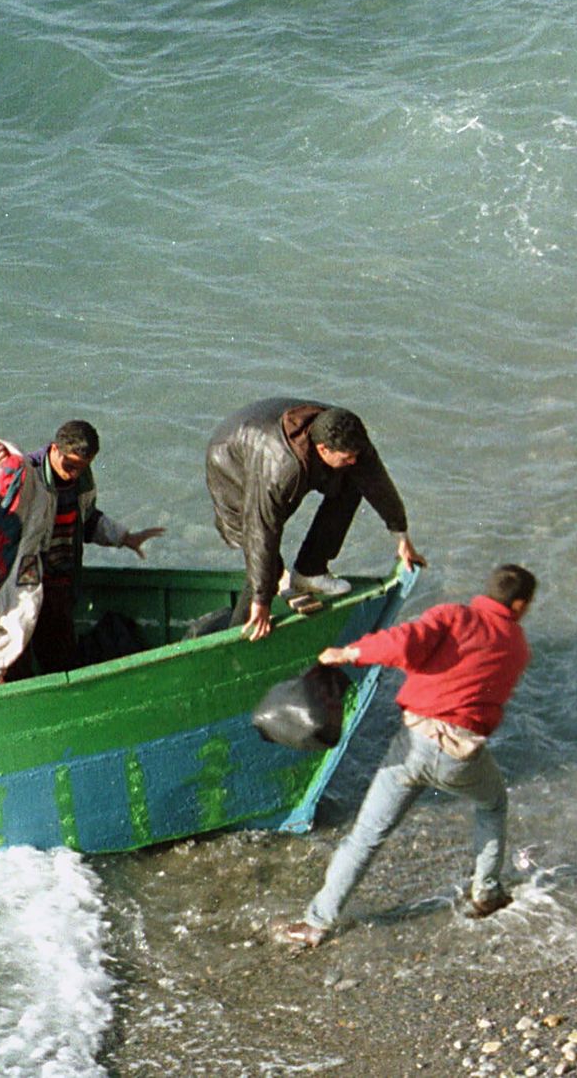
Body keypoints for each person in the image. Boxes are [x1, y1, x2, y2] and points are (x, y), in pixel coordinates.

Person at [270, 564, 537, 948]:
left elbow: (402, 643)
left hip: (411, 746)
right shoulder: (518, 646)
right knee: (493, 805)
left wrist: (347, 653)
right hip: (461, 755)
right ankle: (486, 892)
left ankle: (316, 924)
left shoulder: (454, 616)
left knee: (364, 838)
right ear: (520, 604)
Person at [0, 420, 163, 689]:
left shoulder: (82, 480)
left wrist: (125, 538)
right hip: (16, 584)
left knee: (60, 656)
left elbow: (87, 519)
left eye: (82, 467)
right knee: (14, 656)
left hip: (58, 581)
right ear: (55, 450)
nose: (74, 474)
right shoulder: (26, 474)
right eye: (70, 466)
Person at [205, 397, 426, 641]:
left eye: (355, 455)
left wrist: (401, 536)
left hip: (271, 443)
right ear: (324, 450)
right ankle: (238, 632)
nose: (353, 460)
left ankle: (310, 571)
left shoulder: (349, 438)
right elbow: (261, 529)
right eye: (346, 457)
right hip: (230, 461)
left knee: (354, 481)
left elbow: (377, 483)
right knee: (265, 562)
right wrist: (262, 599)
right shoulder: (283, 470)